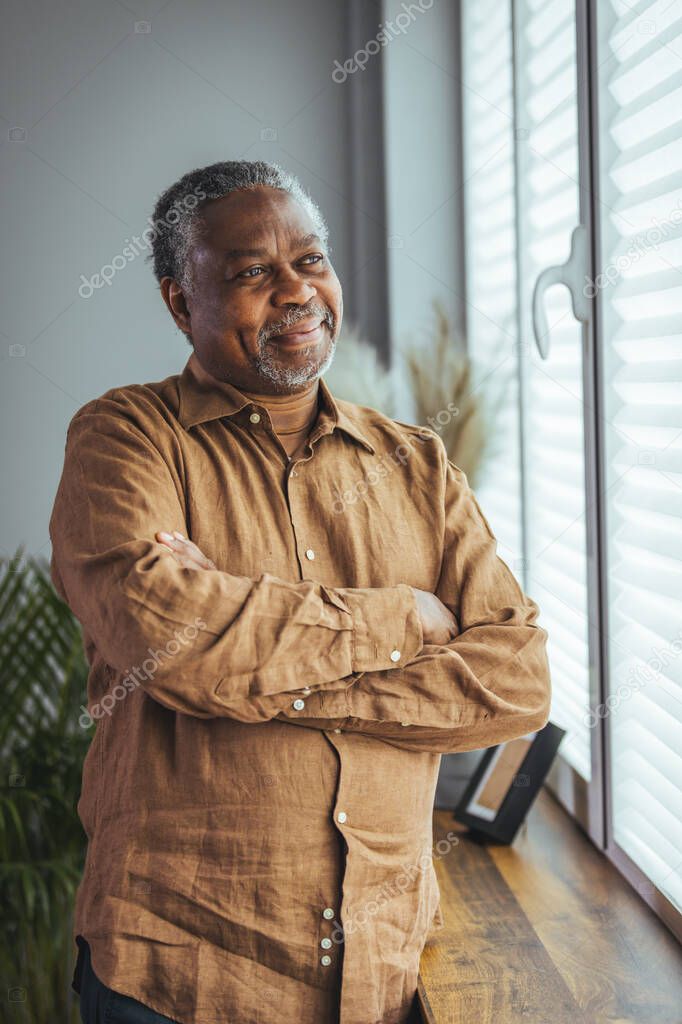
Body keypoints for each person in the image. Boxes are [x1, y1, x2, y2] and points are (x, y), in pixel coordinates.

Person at [49, 160, 551, 1024]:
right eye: (251, 272)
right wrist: (408, 619)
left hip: (379, 966)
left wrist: (253, 669)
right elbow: (166, 640)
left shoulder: (418, 464)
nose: (295, 292)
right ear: (180, 303)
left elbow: (516, 680)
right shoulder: (125, 437)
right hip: (178, 971)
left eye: (310, 260)